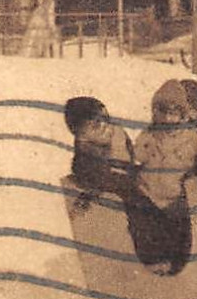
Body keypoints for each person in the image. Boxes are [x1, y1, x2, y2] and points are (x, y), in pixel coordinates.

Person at [63, 95, 189, 274]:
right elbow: (101, 180)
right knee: (147, 211)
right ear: (80, 134)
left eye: (106, 120)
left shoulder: (115, 138)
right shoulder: (85, 160)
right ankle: (157, 261)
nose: (106, 127)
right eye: (96, 126)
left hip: (133, 186)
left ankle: (178, 255)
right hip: (126, 199)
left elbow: (130, 161)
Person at [126, 80, 197, 273]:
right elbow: (137, 156)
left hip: (177, 196)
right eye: (163, 113)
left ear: (183, 114)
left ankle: (176, 266)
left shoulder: (194, 138)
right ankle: (153, 264)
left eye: (174, 113)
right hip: (148, 193)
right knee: (143, 224)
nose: (169, 119)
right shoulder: (150, 135)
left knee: (179, 228)